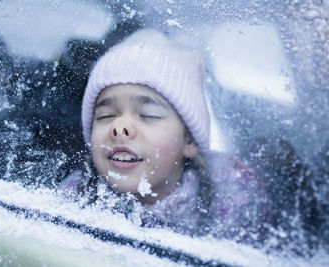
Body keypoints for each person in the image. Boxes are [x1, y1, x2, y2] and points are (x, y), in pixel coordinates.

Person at [60, 29, 269, 241]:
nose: (120, 126)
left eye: (148, 114)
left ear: (189, 140)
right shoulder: (73, 198)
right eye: (106, 115)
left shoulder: (235, 194)